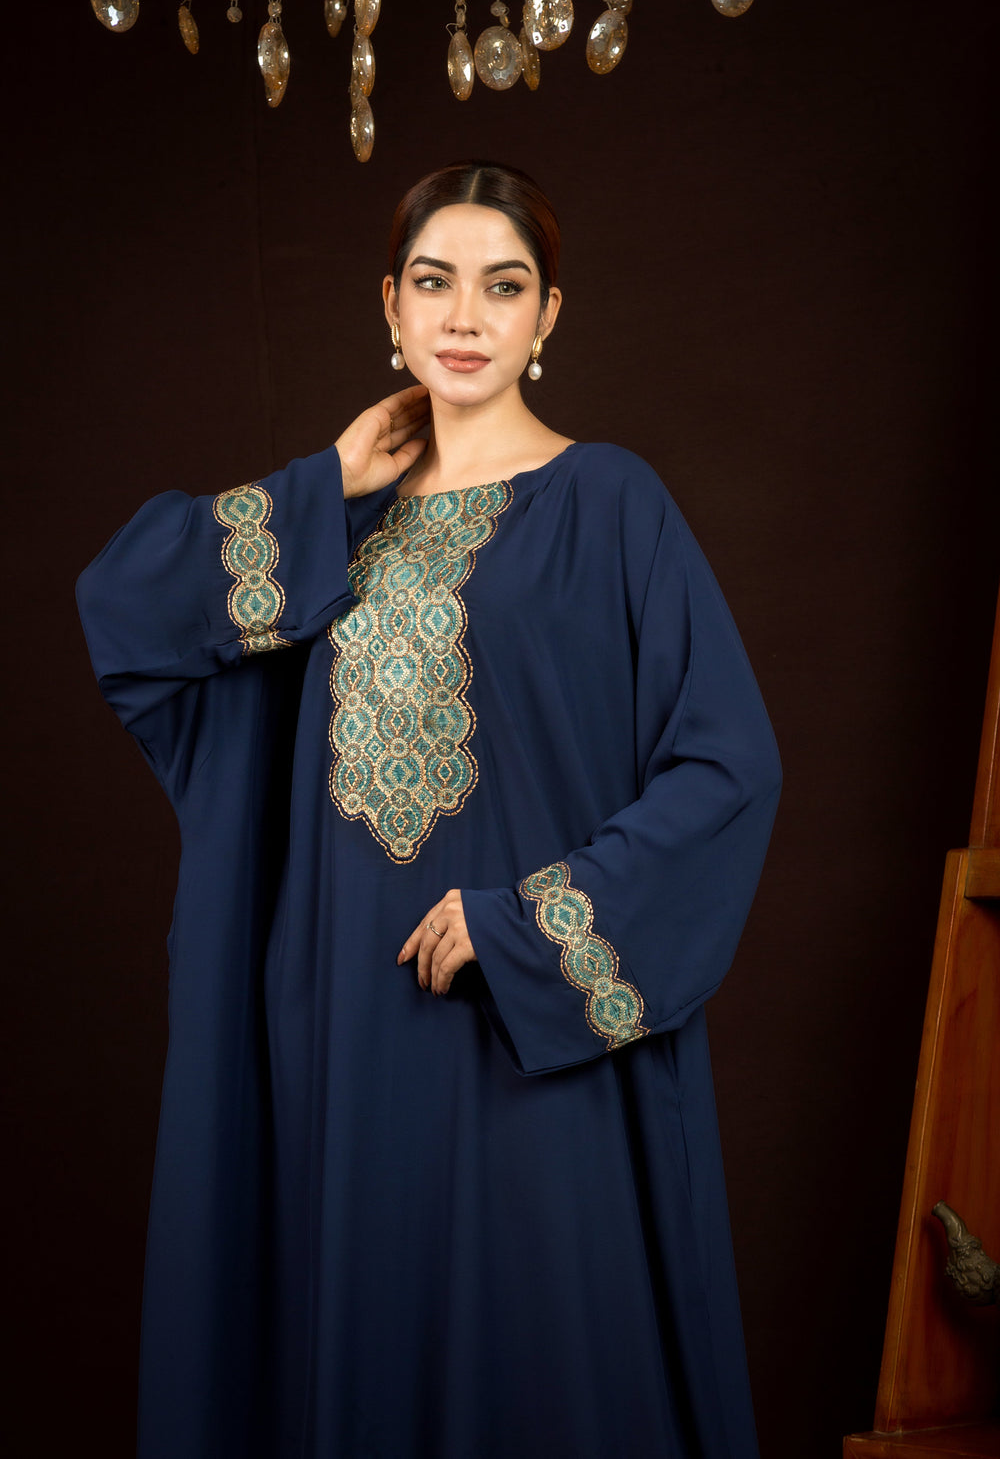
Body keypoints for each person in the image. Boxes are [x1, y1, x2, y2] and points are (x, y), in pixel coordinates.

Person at [77, 161, 781, 1459]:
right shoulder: (329, 532)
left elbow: (728, 769)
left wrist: (529, 927)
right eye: (434, 282)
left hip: (525, 1032)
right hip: (340, 1038)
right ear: (390, 307)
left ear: (548, 316)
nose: (465, 316)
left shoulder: (610, 502)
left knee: (542, 1363)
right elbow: (125, 608)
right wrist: (326, 481)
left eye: (503, 287)